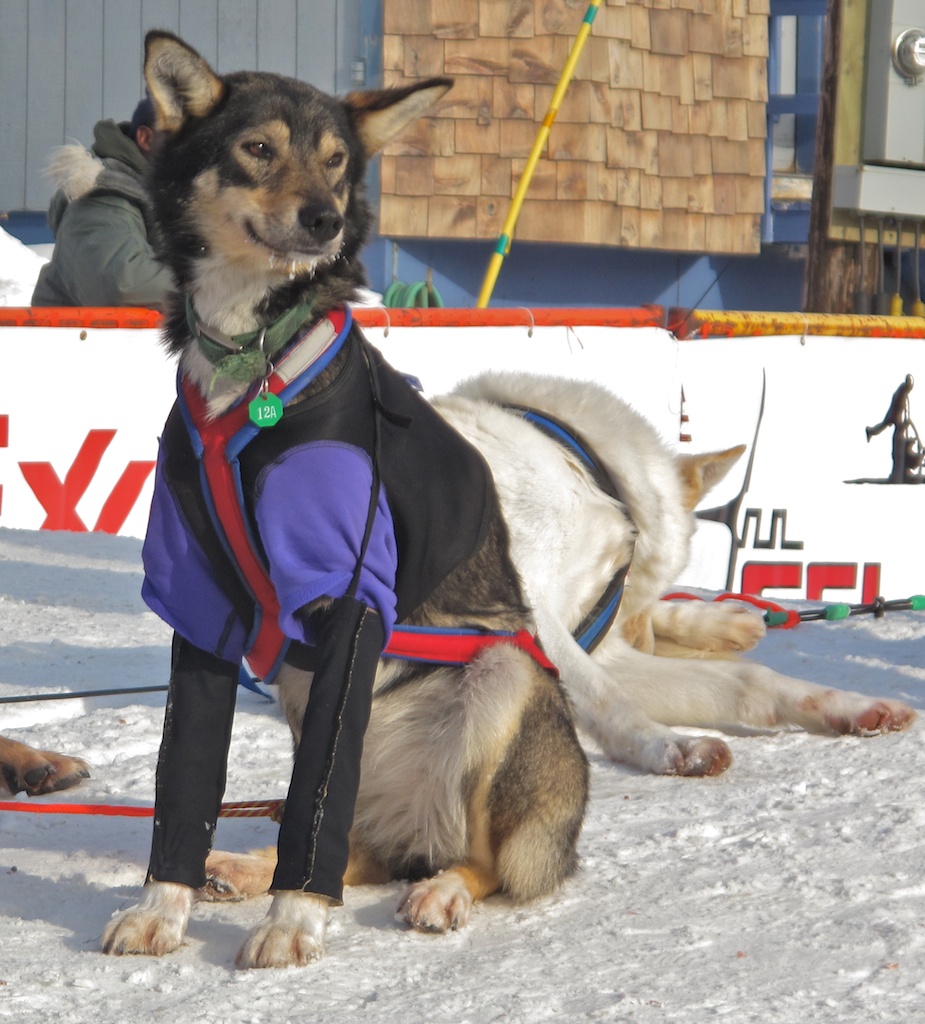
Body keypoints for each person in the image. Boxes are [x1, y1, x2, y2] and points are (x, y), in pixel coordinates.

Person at [31, 98, 173, 308]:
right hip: (73, 340)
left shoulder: (165, 196)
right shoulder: (102, 196)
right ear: (145, 138)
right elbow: (122, 285)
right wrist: (220, 285)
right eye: (182, 136)